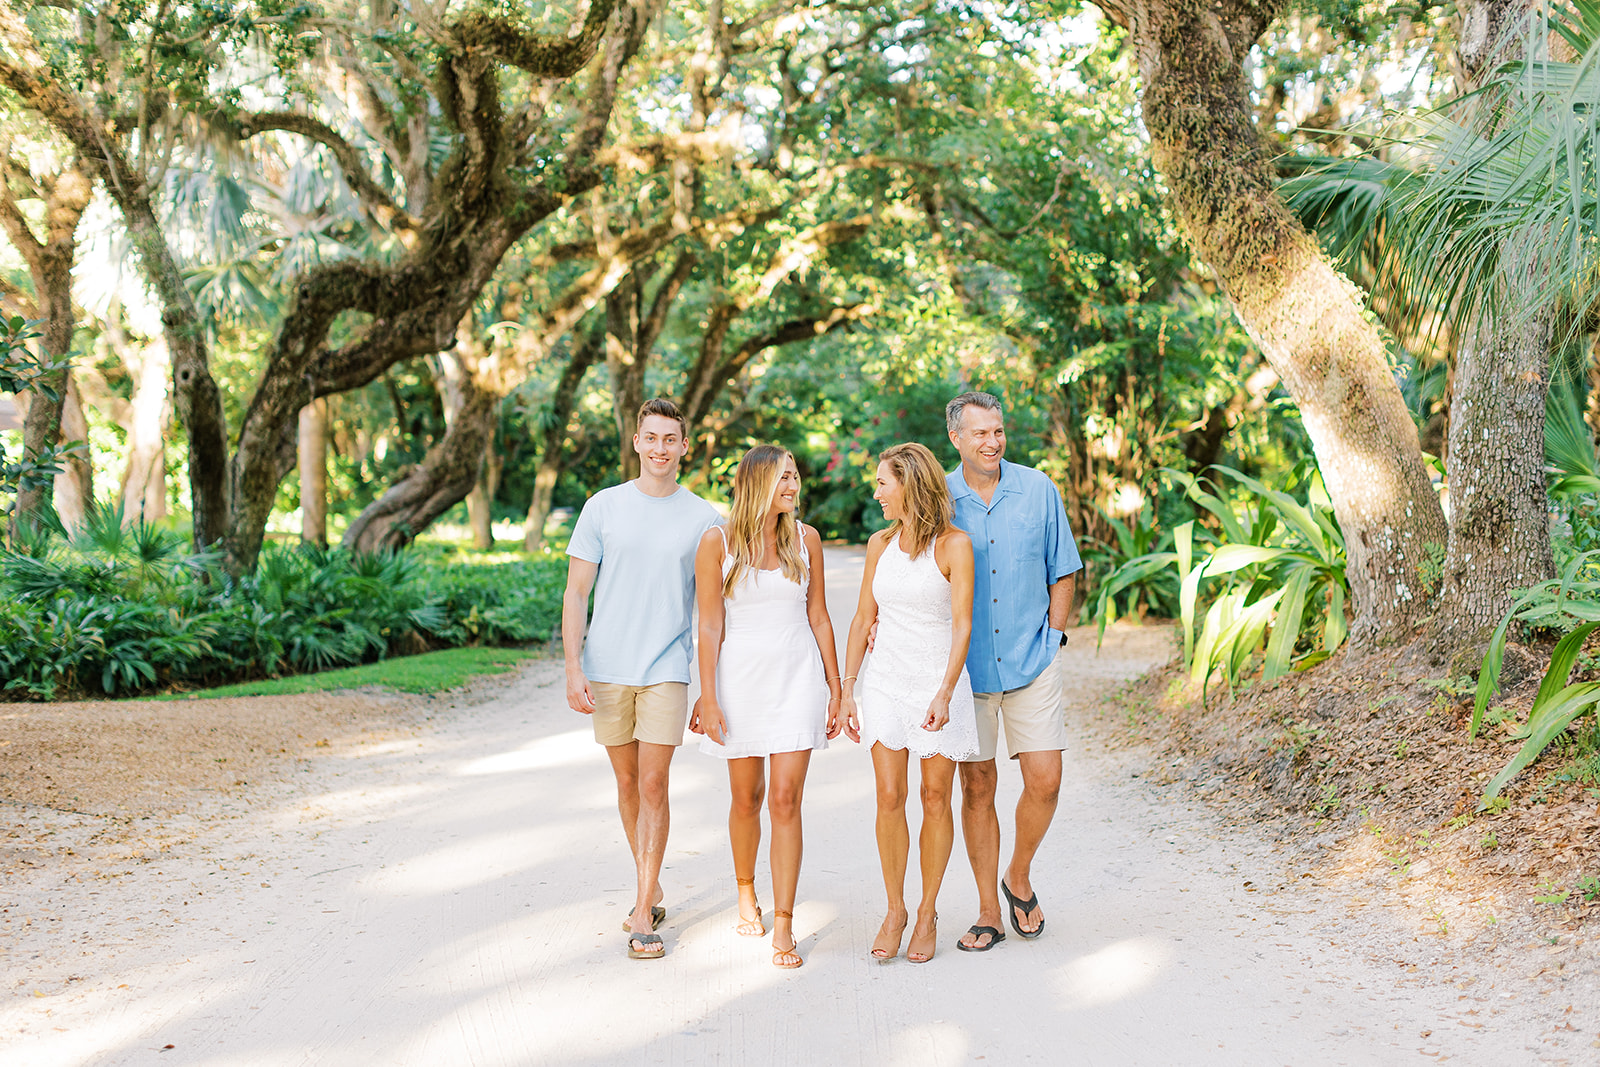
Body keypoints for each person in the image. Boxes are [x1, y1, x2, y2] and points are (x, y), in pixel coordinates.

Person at [562, 398, 720, 961]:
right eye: (650, 437)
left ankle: (640, 908)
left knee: (654, 784)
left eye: (669, 439)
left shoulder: (706, 519)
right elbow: (577, 592)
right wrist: (573, 666)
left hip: (666, 671)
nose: (659, 448)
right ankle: (648, 883)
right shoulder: (603, 508)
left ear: (684, 447)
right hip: (607, 670)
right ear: (636, 442)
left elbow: (712, 612)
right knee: (627, 785)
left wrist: (711, 686)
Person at [690, 445, 843, 969]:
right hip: (739, 682)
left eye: (796, 476)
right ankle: (744, 891)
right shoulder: (717, 541)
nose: (794, 485)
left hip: (797, 679)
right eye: (784, 477)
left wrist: (837, 688)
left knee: (785, 799)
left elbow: (819, 616)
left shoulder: (807, 540)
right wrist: (707, 696)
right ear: (758, 481)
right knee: (746, 797)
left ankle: (784, 923)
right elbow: (709, 626)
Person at [943, 391, 1082, 953]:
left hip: (1032, 660)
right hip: (966, 672)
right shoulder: (939, 498)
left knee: (1045, 780)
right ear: (956, 438)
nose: (993, 441)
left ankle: (1017, 874)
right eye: (980, 433)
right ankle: (985, 910)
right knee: (977, 786)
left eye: (997, 431)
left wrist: (1052, 637)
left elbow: (1063, 570)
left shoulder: (1038, 490)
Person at [839, 442, 977, 965]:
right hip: (886, 681)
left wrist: (944, 691)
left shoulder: (954, 546)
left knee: (935, 797)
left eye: (882, 483)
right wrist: (847, 688)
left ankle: (927, 911)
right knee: (889, 795)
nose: (875, 493)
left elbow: (963, 624)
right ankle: (894, 908)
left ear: (910, 485)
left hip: (938, 682)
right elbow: (860, 619)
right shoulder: (879, 543)